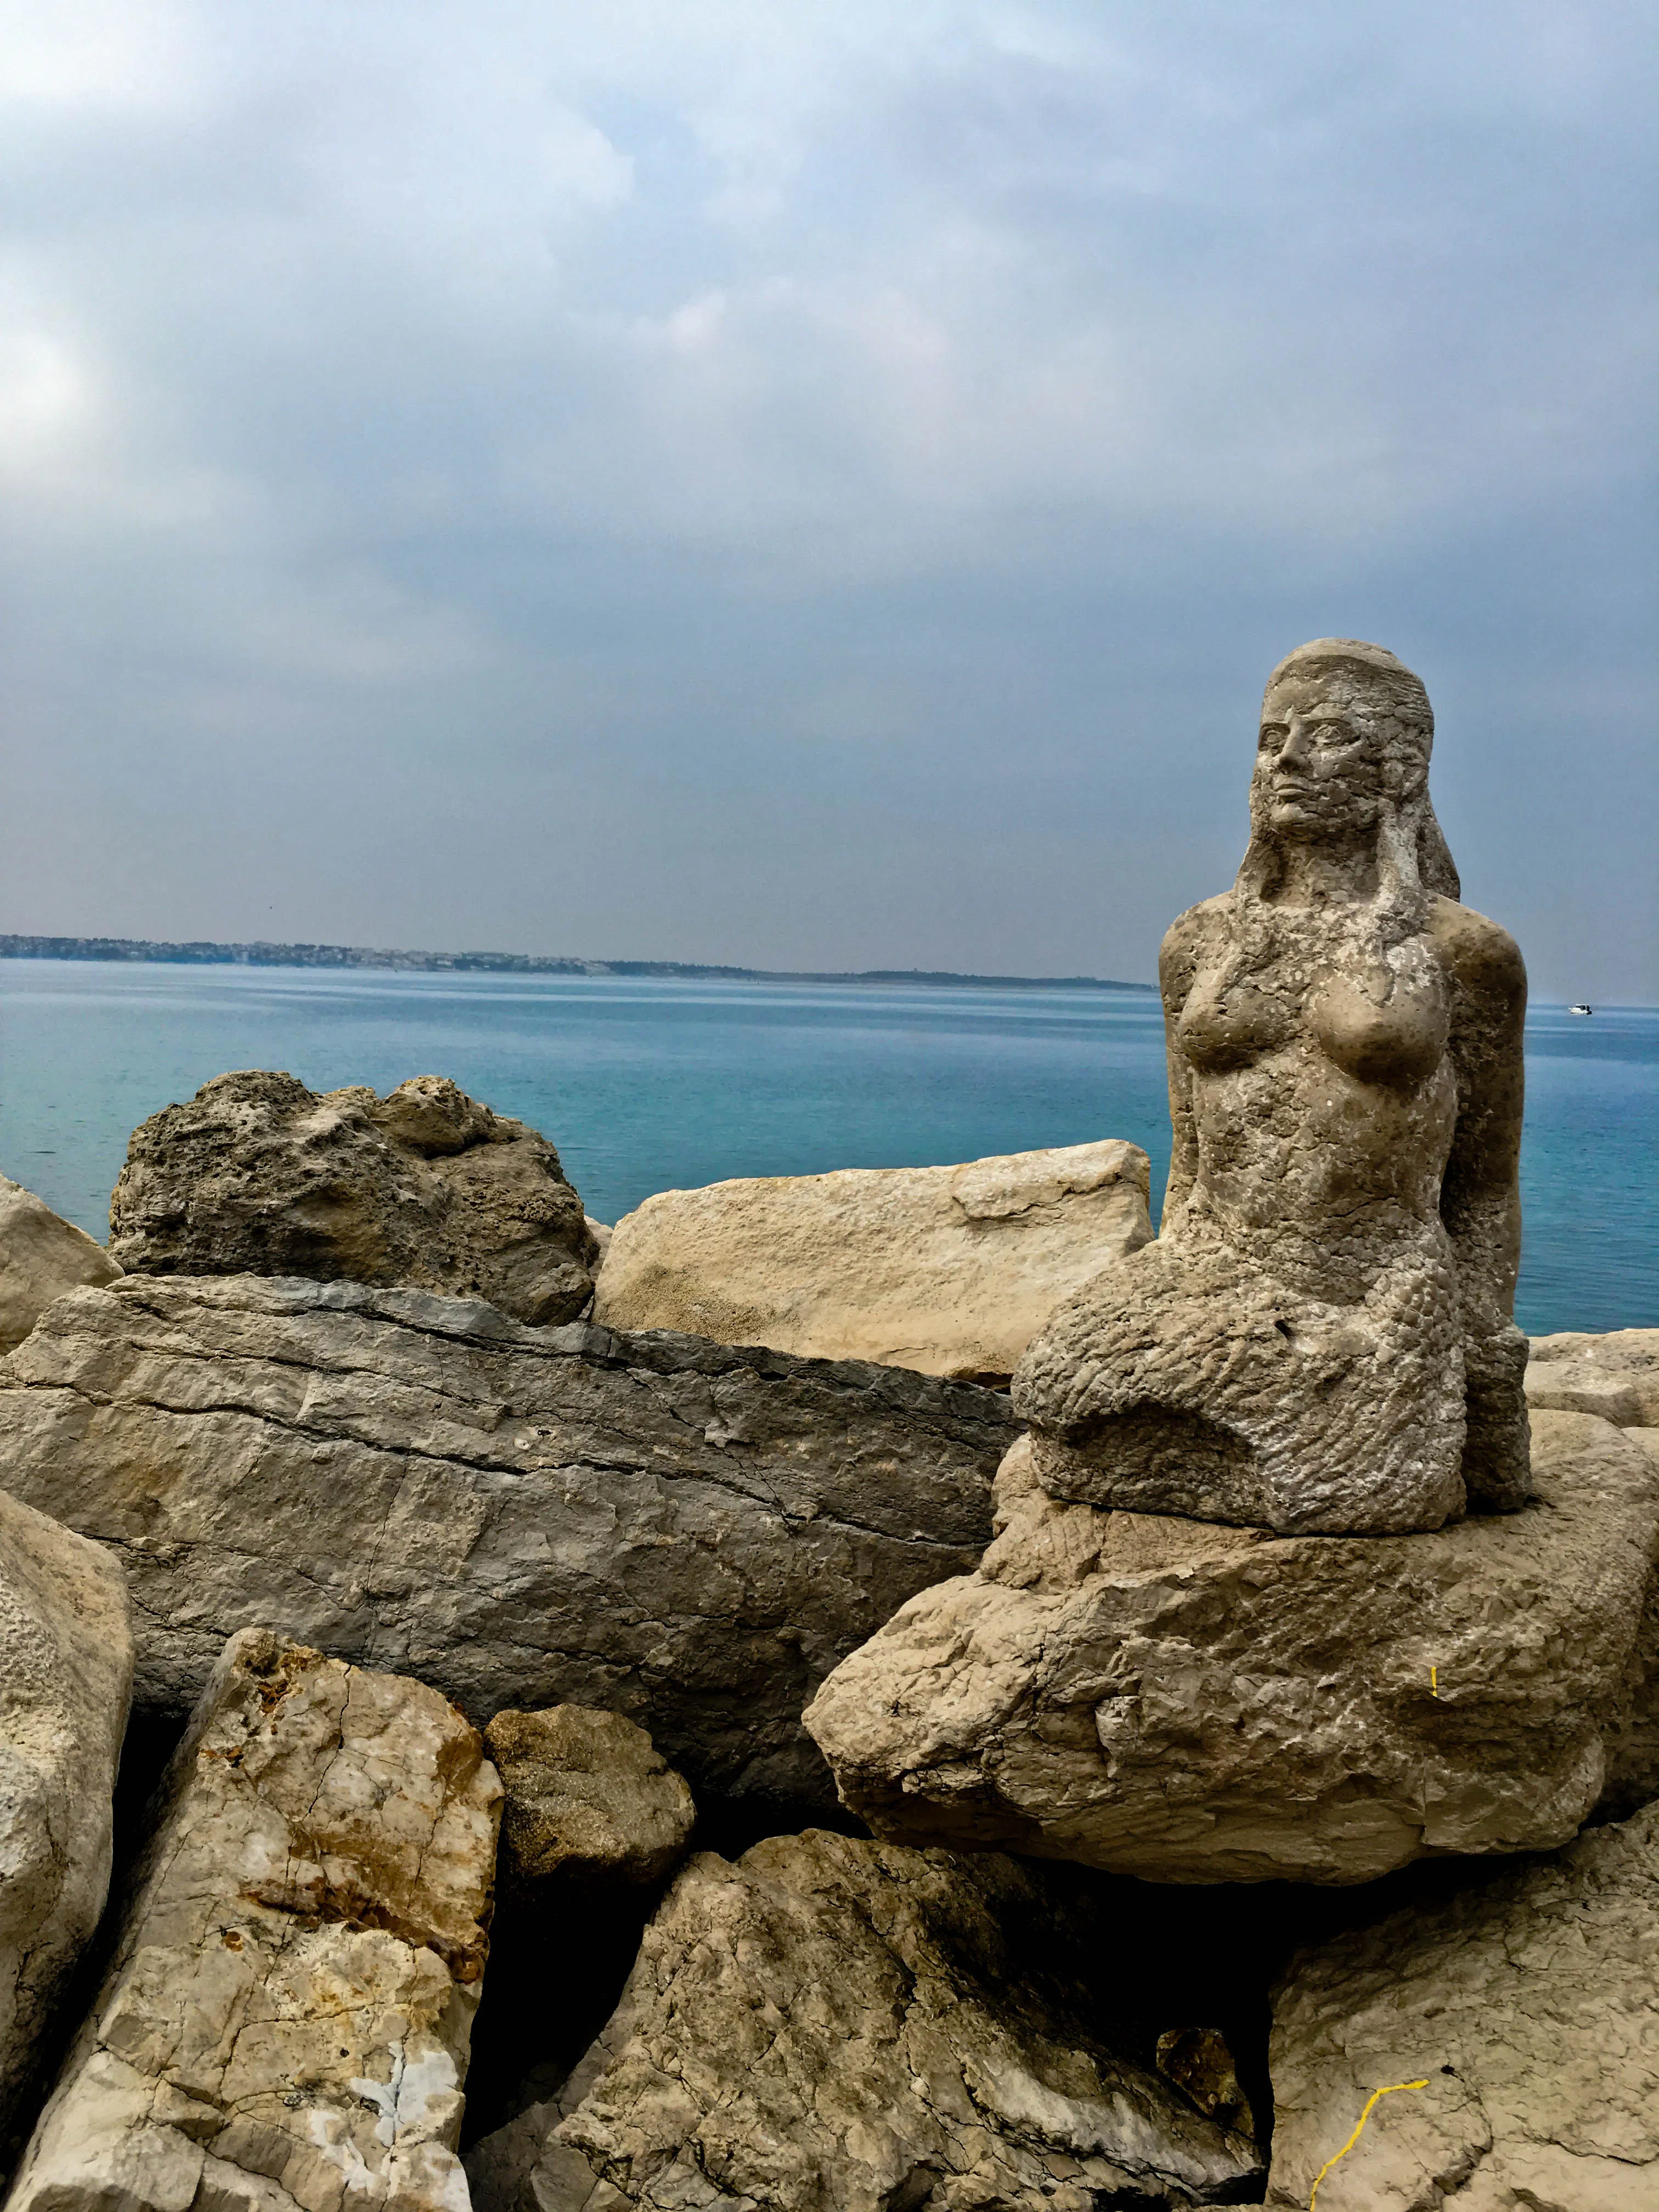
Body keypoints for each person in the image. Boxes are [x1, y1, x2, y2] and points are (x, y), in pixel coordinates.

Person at [1013, 638, 1529, 1534]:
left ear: (1400, 768)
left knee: (1363, 1483)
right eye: (1270, 738)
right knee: (1058, 1389)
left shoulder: (1461, 951)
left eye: (1326, 735)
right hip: (1215, 1269)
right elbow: (1192, 1158)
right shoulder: (1199, 941)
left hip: (1370, 1282)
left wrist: (1487, 1371)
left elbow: (1483, 1183)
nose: (1286, 760)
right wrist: (1162, 1282)